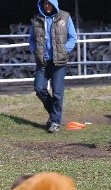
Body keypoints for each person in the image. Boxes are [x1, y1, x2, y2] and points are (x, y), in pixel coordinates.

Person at [28, 0, 77, 133]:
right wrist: (35, 50)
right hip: (42, 61)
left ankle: (55, 122)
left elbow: (73, 37)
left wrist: (65, 50)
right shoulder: (36, 18)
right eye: (45, 4)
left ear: (54, 3)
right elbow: (32, 39)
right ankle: (55, 114)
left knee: (57, 93)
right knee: (39, 88)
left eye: (49, 3)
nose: (47, 6)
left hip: (59, 62)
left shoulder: (65, 16)